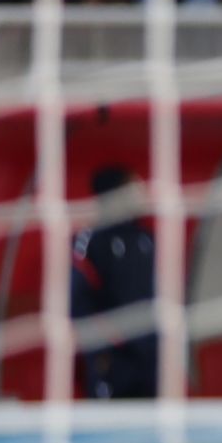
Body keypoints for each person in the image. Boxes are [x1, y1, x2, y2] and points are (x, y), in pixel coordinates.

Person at [70, 165, 159, 400]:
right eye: (135, 187)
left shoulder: (146, 239)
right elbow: (77, 297)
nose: (143, 193)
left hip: (149, 353)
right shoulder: (90, 238)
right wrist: (100, 344)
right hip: (113, 355)